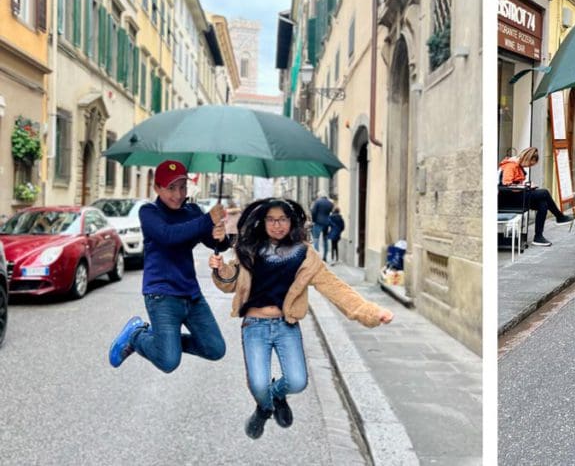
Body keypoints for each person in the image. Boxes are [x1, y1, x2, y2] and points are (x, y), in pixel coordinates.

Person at [208, 198, 393, 439]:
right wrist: (220, 269)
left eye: (283, 219)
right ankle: (264, 409)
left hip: (286, 325)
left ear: (292, 221)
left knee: (297, 382)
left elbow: (335, 287)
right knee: (258, 385)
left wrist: (370, 312)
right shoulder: (249, 250)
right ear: (263, 222)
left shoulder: (305, 254)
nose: (277, 225)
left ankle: (276, 396)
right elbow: (229, 284)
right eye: (271, 220)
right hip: (254, 326)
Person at [108, 159, 228, 372]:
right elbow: (168, 236)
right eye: (171, 188)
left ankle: (165, 343)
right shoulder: (149, 212)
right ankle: (137, 335)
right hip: (161, 294)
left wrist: (221, 235)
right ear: (157, 188)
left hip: (191, 295)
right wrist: (207, 219)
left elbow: (214, 243)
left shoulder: (192, 211)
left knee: (215, 348)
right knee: (168, 361)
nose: (178, 194)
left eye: (182, 187)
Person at [498, 147, 573, 247]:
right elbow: (507, 185)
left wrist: (527, 185)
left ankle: (538, 237)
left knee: (543, 204)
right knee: (544, 192)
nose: (529, 166)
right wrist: (526, 186)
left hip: (517, 196)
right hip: (508, 199)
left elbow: (515, 183)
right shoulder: (510, 166)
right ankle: (559, 217)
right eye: (530, 164)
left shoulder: (518, 166)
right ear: (527, 159)